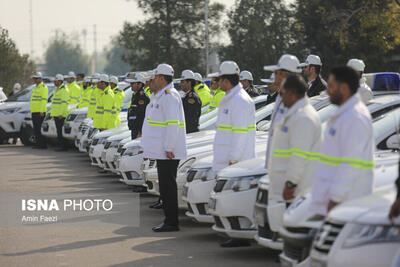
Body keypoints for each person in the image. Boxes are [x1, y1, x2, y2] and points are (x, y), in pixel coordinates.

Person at [310, 66, 374, 216]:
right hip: (335, 203)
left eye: (331, 86)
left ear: (344, 88)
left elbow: (351, 163)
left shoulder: (354, 117)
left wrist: (335, 198)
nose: (328, 90)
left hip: (345, 206)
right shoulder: (345, 114)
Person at [212, 61, 256, 247]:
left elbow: (240, 133)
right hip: (226, 159)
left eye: (219, 79)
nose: (217, 82)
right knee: (227, 198)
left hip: (235, 161)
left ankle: (240, 237)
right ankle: (232, 232)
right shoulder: (230, 97)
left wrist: (234, 159)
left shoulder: (240, 100)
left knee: (236, 198)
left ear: (226, 80)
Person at [141, 63, 187, 232]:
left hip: (168, 151)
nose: (153, 81)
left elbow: (172, 124)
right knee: (166, 186)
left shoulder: (170, 96)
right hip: (163, 150)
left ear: (161, 78)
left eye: (155, 78)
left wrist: (168, 146)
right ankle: (169, 220)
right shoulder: (161, 96)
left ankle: (171, 222)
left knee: (168, 186)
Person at [268, 74, 321, 205]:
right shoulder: (296, 113)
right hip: (289, 190)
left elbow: (299, 154)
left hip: (296, 192)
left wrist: (291, 183)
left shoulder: (304, 117)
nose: (280, 97)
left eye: (282, 93)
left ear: (291, 93)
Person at [263, 54, 302, 169]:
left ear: (283, 75)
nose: (274, 77)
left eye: (276, 73)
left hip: (285, 170)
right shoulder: (281, 97)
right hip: (275, 167)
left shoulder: (295, 101)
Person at [126, 73, 150, 139]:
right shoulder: (135, 95)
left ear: (140, 84)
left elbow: (142, 115)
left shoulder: (142, 97)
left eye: (133, 83)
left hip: (138, 130)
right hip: (134, 128)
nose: (131, 85)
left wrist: (140, 131)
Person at [50, 74, 70, 151]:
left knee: (61, 131)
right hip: (56, 114)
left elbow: (64, 103)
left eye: (56, 81)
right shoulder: (57, 89)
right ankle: (60, 146)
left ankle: (63, 147)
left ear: (60, 81)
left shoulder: (64, 90)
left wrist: (61, 114)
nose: (54, 82)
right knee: (58, 131)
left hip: (60, 115)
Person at [30, 72, 48, 149]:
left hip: (39, 112)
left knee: (39, 128)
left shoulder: (44, 87)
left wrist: (42, 111)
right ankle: (38, 144)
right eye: (34, 78)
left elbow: (44, 101)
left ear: (41, 79)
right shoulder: (35, 87)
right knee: (36, 129)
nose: (35, 80)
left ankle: (42, 144)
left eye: (36, 78)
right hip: (34, 111)